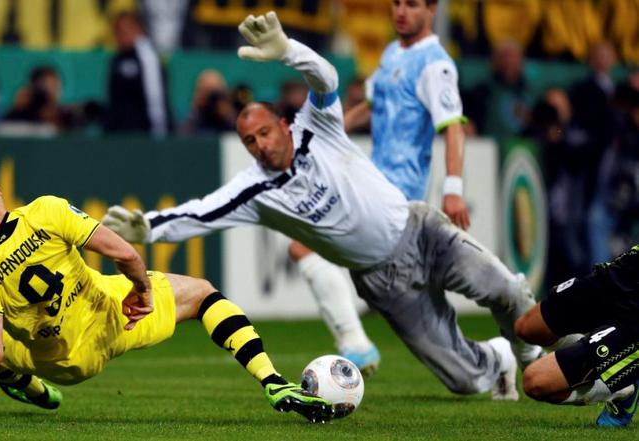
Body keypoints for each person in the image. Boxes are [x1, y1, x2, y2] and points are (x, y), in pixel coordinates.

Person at [103, 11, 542, 401]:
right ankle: (499, 357)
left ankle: (539, 356)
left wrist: (289, 50)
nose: (259, 146)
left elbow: (327, 79)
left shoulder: (317, 127)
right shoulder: (255, 189)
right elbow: (200, 214)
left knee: (505, 291)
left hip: (423, 233)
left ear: (281, 123)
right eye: (249, 142)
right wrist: (148, 227)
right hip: (382, 281)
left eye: (264, 133)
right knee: (465, 381)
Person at [0, 151, 332, 424]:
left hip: (59, 362)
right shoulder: (46, 211)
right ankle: (272, 381)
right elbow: (127, 256)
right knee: (204, 294)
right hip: (113, 317)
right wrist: (143, 291)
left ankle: (29, 385)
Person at [286, 0, 472, 375]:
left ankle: (356, 344)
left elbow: (452, 126)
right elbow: (369, 106)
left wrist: (453, 187)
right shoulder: (391, 53)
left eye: (413, 4)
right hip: (372, 182)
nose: (401, 11)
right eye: (397, 3)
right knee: (408, 307)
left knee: (305, 245)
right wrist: (324, 134)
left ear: (432, 9)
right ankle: (498, 355)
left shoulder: (436, 64)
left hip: (398, 192)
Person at [515, 246, 639, 427]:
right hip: (624, 272)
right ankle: (603, 359)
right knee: (527, 328)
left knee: (535, 382)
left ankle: (621, 386)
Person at [102, 11, 170, 136]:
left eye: (127, 29)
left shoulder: (149, 59)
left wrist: (159, 134)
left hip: (144, 135)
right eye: (119, 31)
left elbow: (156, 99)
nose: (123, 35)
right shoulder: (115, 60)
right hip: (118, 136)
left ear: (139, 29)